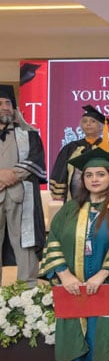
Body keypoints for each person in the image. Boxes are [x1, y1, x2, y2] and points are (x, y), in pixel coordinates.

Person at [38, 148, 109, 361]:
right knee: (74, 344)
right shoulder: (70, 209)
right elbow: (54, 239)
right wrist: (65, 276)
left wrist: (102, 275)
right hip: (73, 288)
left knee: (107, 342)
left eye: (101, 174)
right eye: (89, 175)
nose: (94, 179)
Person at [0, 85, 46, 286]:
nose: (5, 108)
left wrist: (12, 174)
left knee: (25, 242)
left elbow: (36, 159)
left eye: (8, 103)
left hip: (21, 195)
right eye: (0, 104)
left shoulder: (29, 133)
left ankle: (28, 291)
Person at [50, 105, 109, 202]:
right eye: (85, 121)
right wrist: (59, 191)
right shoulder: (71, 148)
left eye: (93, 121)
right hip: (75, 197)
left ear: (102, 127)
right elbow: (60, 170)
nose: (88, 124)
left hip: (105, 197)